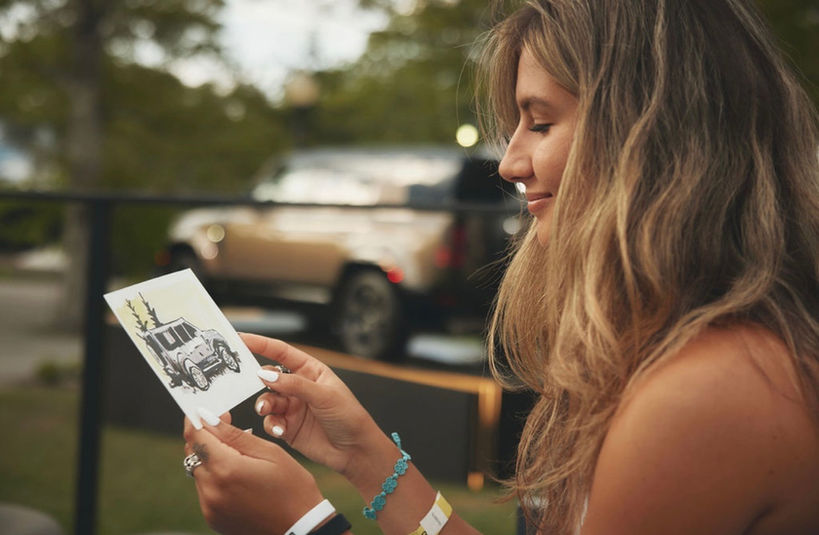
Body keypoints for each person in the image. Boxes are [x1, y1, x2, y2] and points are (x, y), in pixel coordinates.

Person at [182, 0, 819, 533]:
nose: (510, 163)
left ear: (655, 135)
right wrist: (366, 457)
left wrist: (302, 526)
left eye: (540, 123)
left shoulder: (708, 391)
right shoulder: (658, 346)